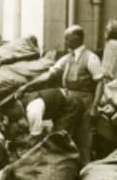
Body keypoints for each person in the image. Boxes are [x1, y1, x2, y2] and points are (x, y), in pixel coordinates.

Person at [14, 25, 104, 162]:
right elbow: (49, 76)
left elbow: (100, 82)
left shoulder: (91, 58)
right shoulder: (67, 58)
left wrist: (95, 106)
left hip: (85, 101)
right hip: (67, 102)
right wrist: (27, 86)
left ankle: (85, 170)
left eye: (68, 39)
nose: (65, 42)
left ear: (78, 38)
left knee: (83, 139)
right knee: (61, 136)